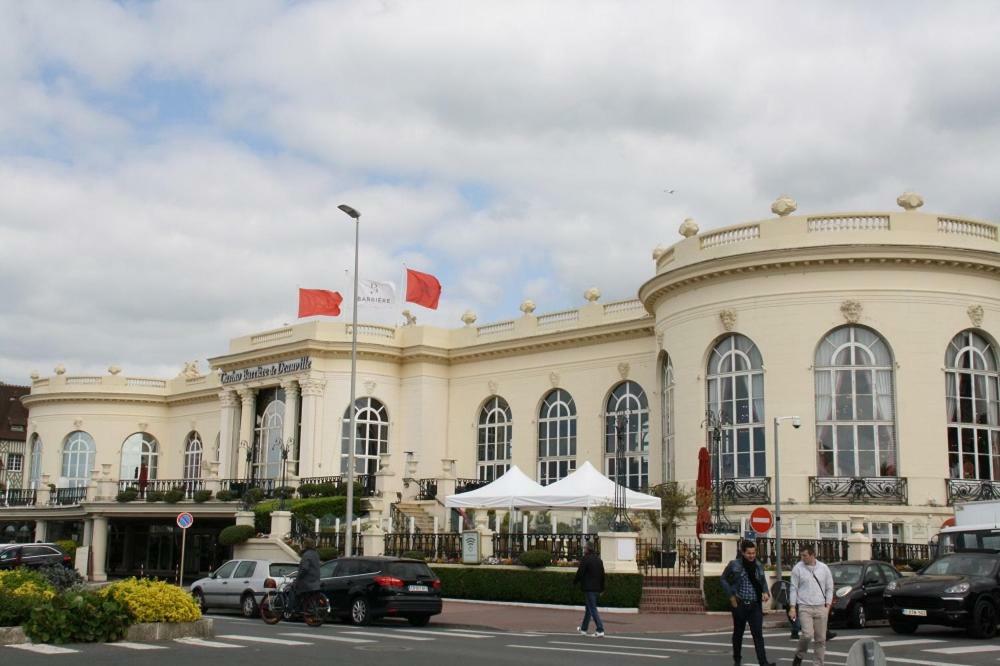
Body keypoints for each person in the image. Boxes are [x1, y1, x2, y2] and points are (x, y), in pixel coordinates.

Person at [721, 540, 775, 666]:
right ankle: (737, 660)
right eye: (749, 553)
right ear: (743, 553)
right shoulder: (734, 564)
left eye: (753, 553)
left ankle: (763, 662)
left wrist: (766, 592)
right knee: (738, 634)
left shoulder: (758, 565)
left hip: (755, 605)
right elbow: (723, 579)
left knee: (758, 634)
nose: (752, 555)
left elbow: (762, 581)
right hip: (739, 604)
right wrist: (731, 596)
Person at [789, 545, 834, 666]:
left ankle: (818, 664)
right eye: (801, 555)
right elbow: (793, 588)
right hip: (804, 607)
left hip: (821, 607)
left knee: (821, 639)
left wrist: (827, 606)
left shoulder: (824, 568)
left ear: (812, 555)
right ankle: (799, 655)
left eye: (805, 555)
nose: (802, 558)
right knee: (807, 634)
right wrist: (792, 607)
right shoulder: (797, 568)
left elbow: (829, 588)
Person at [573, 541, 606, 637]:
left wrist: (575, 582)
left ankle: (600, 629)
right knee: (589, 609)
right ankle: (584, 629)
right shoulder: (599, 560)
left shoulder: (586, 559)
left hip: (589, 588)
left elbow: (580, 572)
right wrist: (602, 588)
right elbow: (602, 575)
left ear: (587, 549)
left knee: (592, 608)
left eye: (584, 548)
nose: (584, 550)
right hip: (597, 588)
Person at [294, 537, 322, 614]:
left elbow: (304, 569)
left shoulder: (306, 555)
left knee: (293, 588)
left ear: (306, 545)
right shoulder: (316, 554)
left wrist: (298, 577)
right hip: (316, 581)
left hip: (308, 581)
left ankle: (295, 608)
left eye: (303, 544)